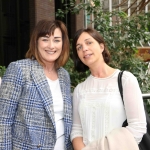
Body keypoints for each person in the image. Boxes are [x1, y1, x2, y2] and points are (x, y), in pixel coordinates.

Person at [0, 19, 73, 150]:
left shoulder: (64, 75)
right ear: (36, 42)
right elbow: (3, 120)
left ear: (63, 44)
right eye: (45, 39)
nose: (51, 46)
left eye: (57, 40)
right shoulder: (19, 69)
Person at [70, 27, 147, 150]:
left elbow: (138, 127)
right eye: (79, 47)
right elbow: (76, 130)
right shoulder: (80, 89)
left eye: (89, 42)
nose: (84, 48)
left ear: (101, 47)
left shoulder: (125, 80)